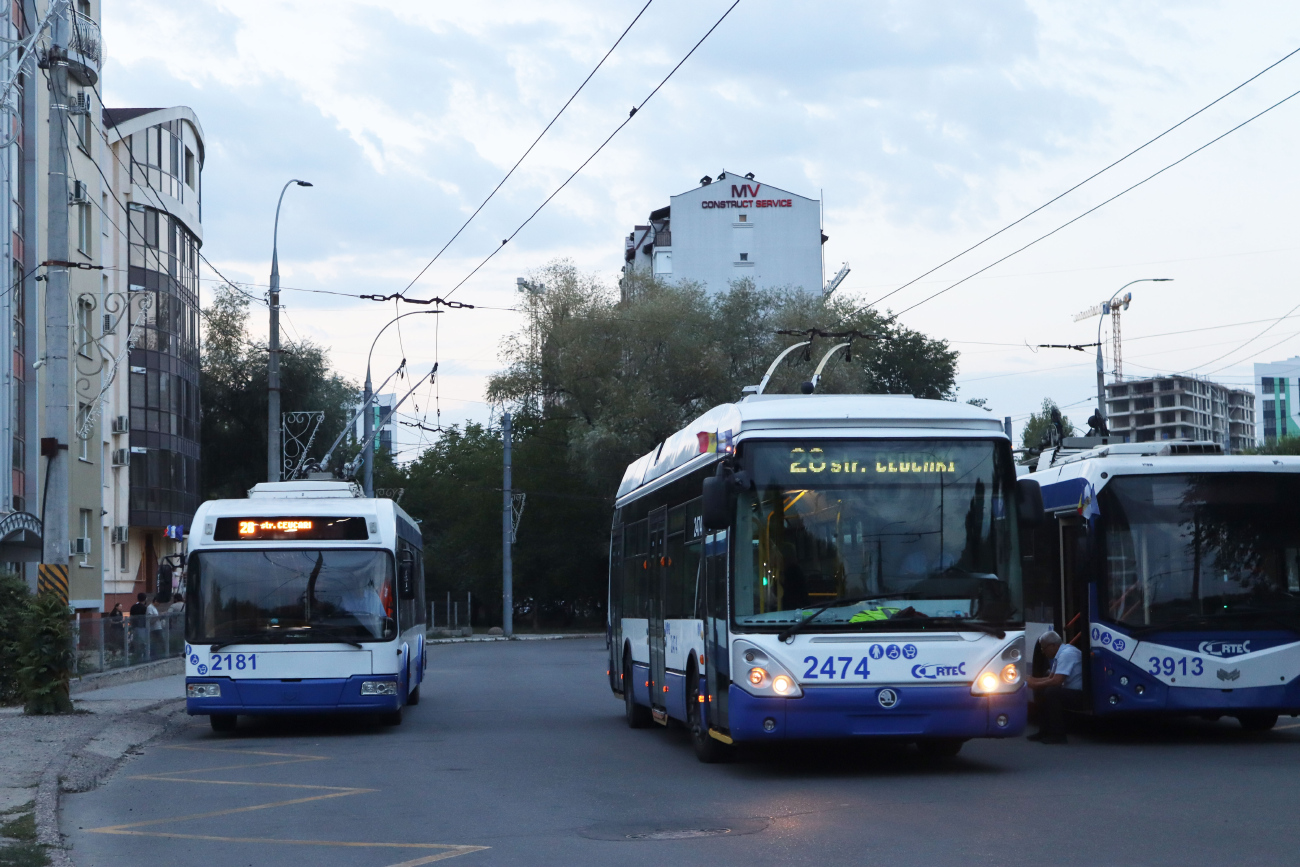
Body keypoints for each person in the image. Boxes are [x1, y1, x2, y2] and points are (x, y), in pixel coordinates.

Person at [1026, 630, 1084, 744]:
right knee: (1043, 690)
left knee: (1052, 693)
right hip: (1070, 691)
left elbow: (1057, 681)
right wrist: (1031, 680)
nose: (1043, 652)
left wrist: (1034, 684)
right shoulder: (1060, 654)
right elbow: (1050, 677)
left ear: (1053, 645)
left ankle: (1058, 734)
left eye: (1044, 648)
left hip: (1080, 694)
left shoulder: (1067, 654)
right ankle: (1044, 731)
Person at [129, 592, 149, 663]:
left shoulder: (133, 607)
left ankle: (136, 657)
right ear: (145, 599)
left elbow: (131, 617)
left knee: (136, 643)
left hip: (135, 627)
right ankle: (143, 658)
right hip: (142, 626)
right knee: (143, 643)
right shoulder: (145, 608)